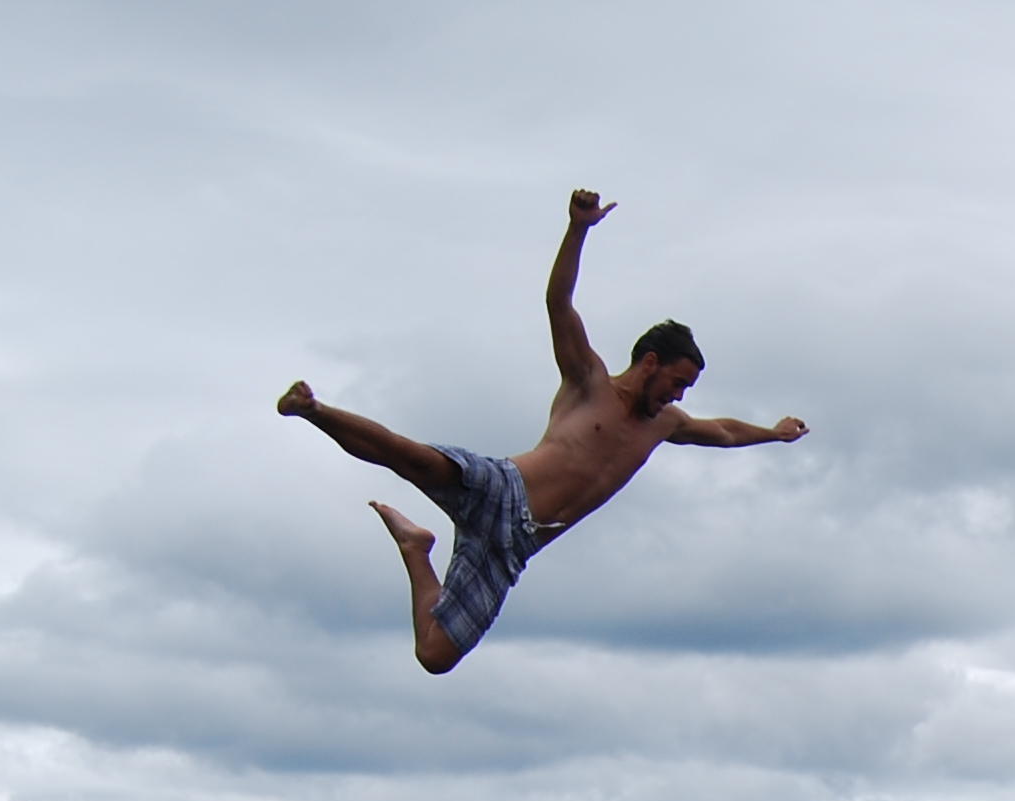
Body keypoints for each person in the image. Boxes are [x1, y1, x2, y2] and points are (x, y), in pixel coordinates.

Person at [278, 189, 809, 671]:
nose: (679, 396)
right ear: (650, 362)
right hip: (504, 491)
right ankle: (312, 408)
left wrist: (774, 431)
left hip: (516, 548)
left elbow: (723, 432)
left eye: (687, 389)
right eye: (676, 381)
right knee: (407, 456)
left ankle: (416, 548)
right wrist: (578, 229)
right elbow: (559, 305)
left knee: (435, 655)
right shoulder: (589, 380)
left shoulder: (665, 424)